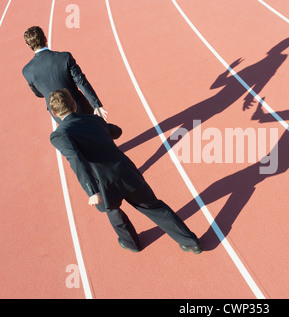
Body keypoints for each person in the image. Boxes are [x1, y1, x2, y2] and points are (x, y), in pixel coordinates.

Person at [48, 89, 202, 254]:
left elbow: (76, 160)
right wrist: (99, 123)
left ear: (55, 113)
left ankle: (132, 244)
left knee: (114, 214)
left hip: (102, 184)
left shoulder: (60, 135)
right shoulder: (93, 119)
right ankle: (191, 241)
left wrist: (92, 191)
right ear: (74, 104)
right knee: (154, 206)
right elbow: (117, 132)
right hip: (125, 171)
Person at [22, 26, 108, 124]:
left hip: (58, 114)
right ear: (45, 38)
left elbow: (38, 93)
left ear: (28, 45)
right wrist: (96, 105)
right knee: (96, 132)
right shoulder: (64, 57)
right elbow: (81, 82)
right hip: (78, 107)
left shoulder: (27, 71)